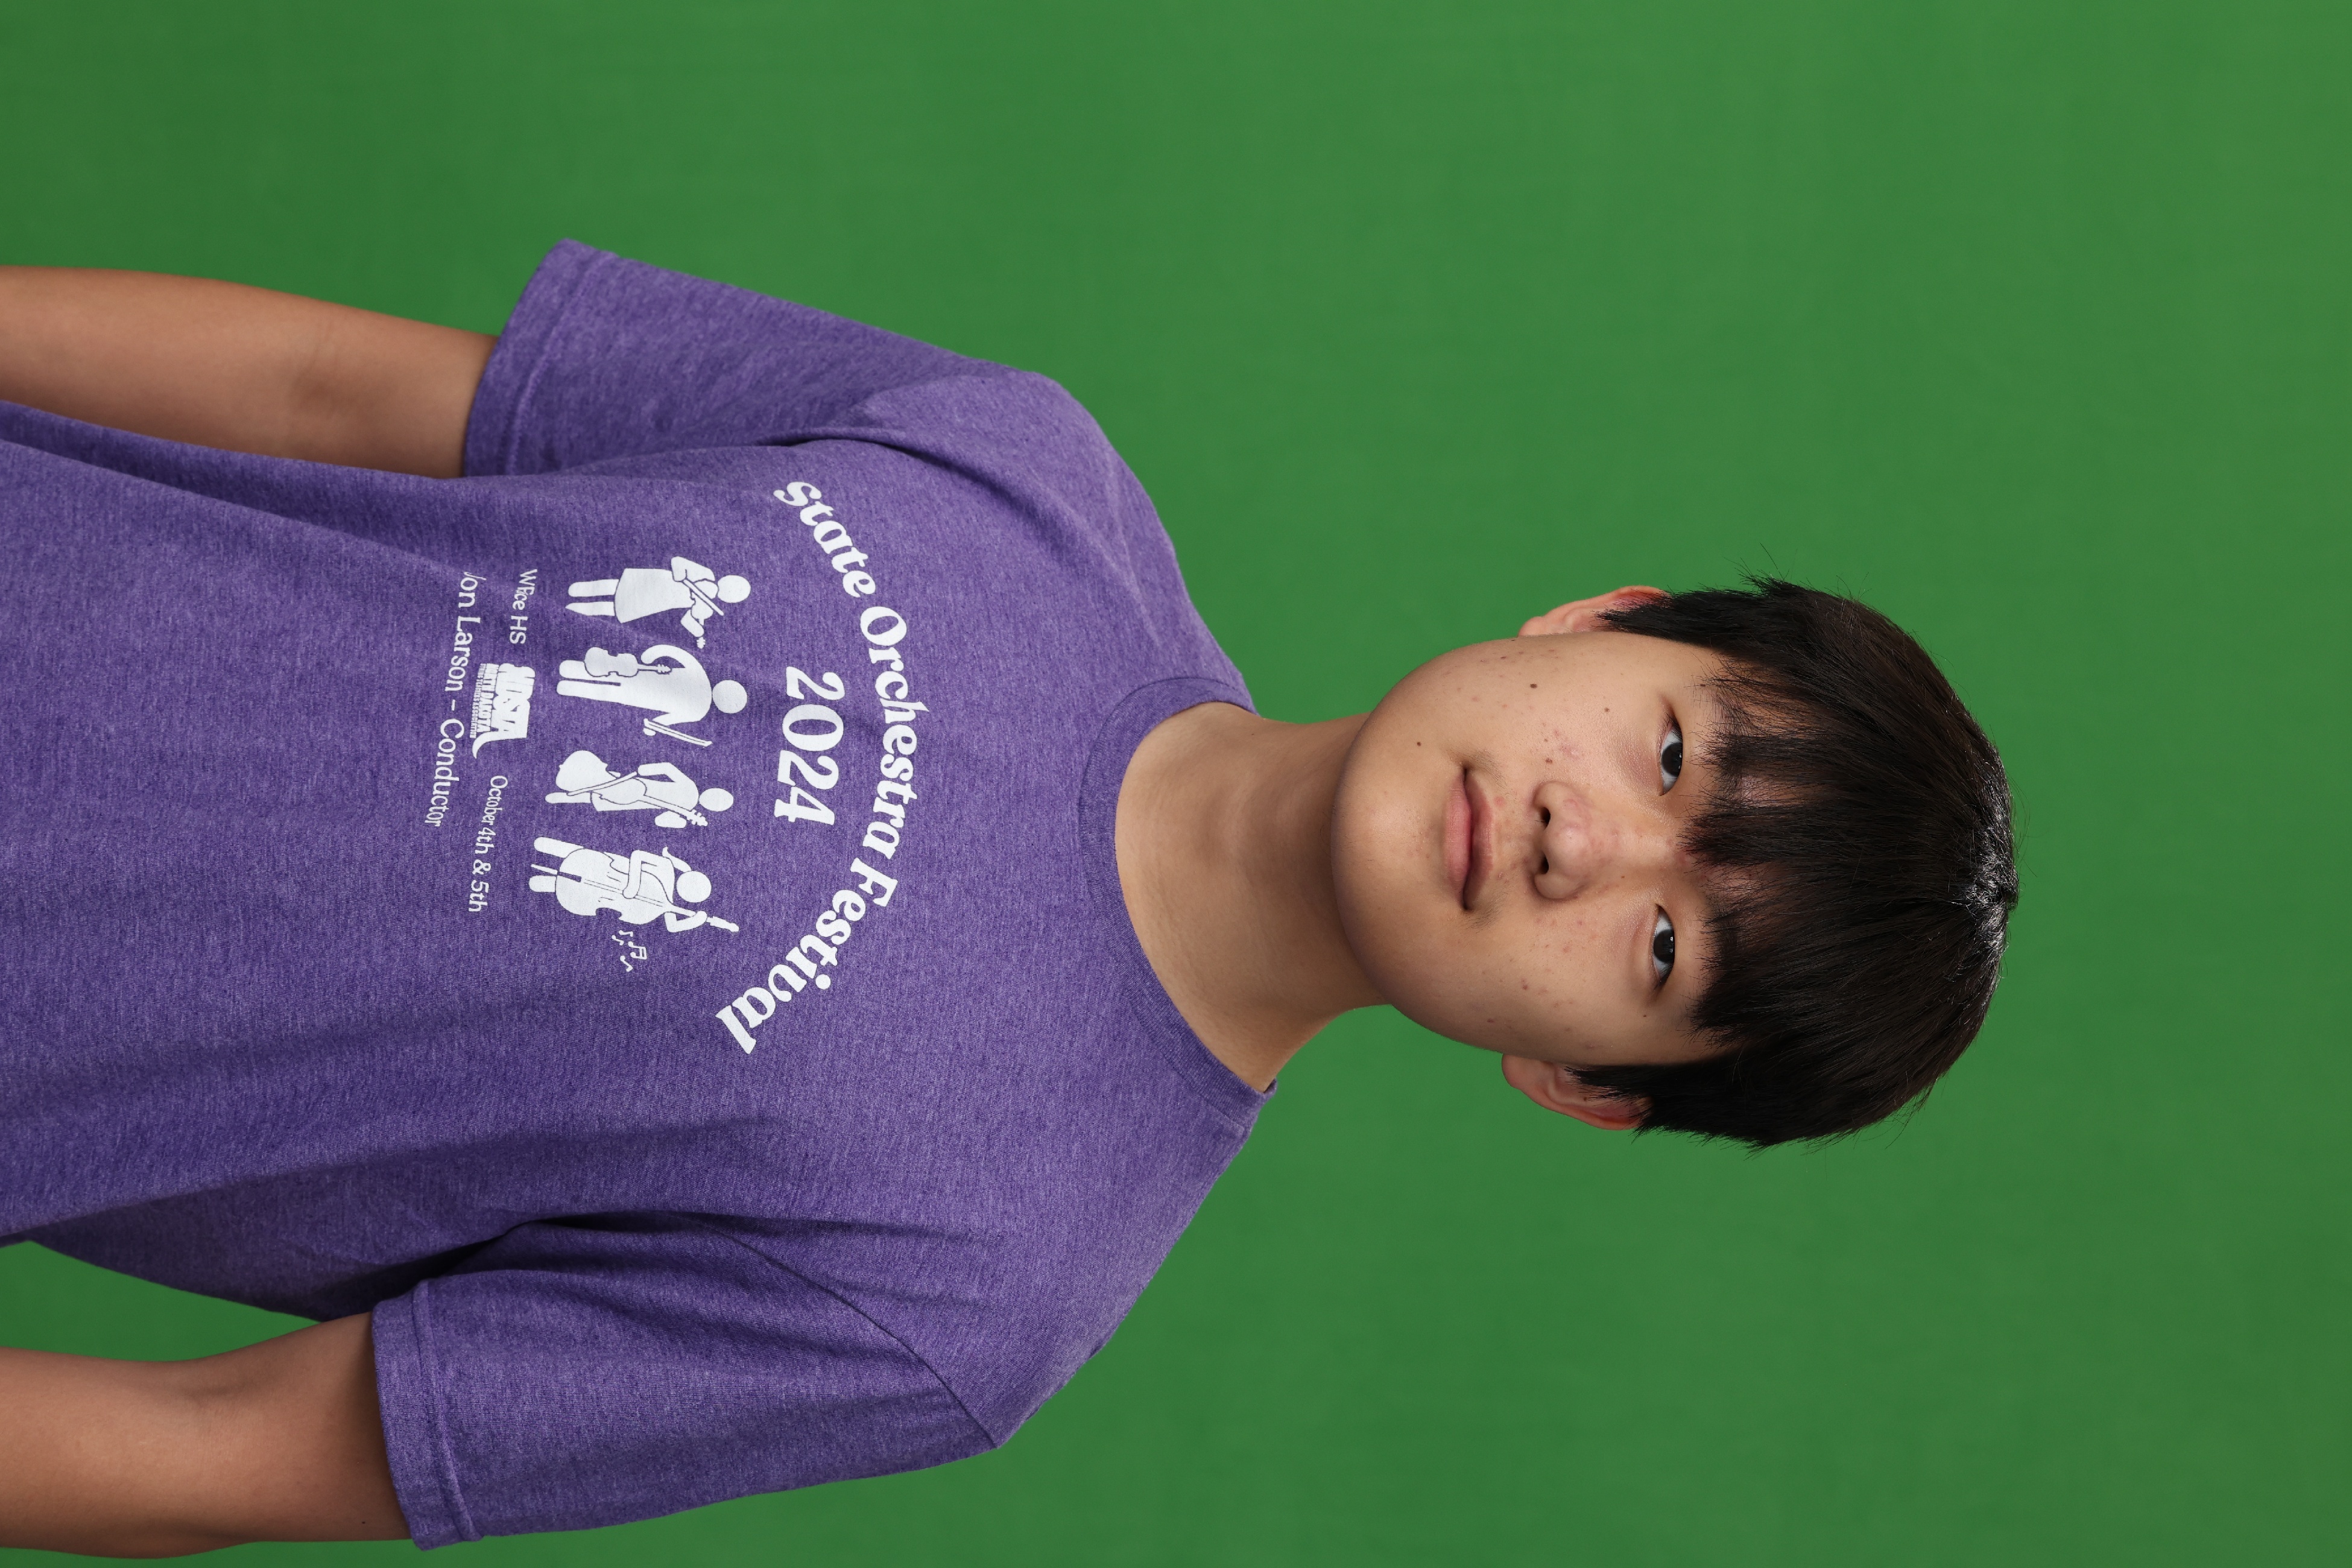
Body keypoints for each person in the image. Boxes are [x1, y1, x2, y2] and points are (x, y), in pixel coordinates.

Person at [0, 245, 2016, 1555]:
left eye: (1661, 951)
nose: (1589, 844)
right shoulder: (1016, 470)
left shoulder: (969, 1302)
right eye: (1666, 755)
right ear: (1602, 617)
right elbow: (327, 392)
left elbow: (224, 1445)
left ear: (1579, 1084)